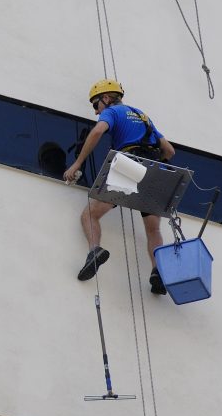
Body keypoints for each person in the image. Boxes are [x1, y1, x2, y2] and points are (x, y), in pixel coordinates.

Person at [62, 79, 176, 294]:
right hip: (155, 170)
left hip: (131, 166)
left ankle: (94, 251)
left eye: (96, 105)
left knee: (90, 214)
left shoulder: (112, 112)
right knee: (153, 229)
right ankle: (158, 272)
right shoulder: (143, 117)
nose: (97, 111)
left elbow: (97, 132)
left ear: (105, 98)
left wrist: (77, 163)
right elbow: (169, 151)